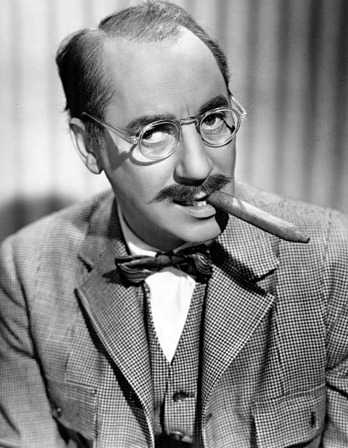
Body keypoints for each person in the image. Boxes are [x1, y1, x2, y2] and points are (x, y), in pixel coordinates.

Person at [0, 1, 347, 447]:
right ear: (90, 146)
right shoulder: (23, 273)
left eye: (213, 118)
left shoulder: (331, 259)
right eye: (153, 133)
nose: (200, 168)